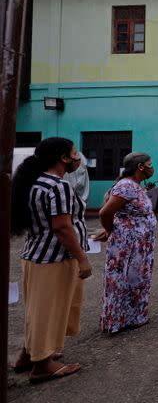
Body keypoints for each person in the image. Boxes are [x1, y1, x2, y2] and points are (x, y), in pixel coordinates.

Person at [10, 137, 90, 383]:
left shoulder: (35, 181)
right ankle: (42, 365)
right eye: (74, 153)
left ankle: (29, 353)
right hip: (54, 258)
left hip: (35, 255)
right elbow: (62, 228)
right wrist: (82, 258)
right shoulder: (57, 186)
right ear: (63, 158)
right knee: (50, 309)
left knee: (38, 310)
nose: (77, 158)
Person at [99, 152, 158, 334]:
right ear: (140, 167)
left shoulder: (135, 185)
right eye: (149, 164)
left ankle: (132, 317)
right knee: (123, 279)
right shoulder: (126, 186)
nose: (151, 167)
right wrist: (110, 230)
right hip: (128, 245)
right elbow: (104, 213)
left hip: (138, 245)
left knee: (136, 279)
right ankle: (117, 320)